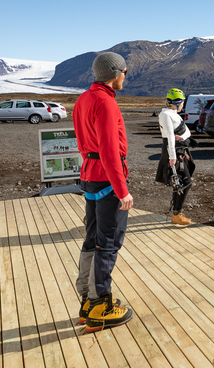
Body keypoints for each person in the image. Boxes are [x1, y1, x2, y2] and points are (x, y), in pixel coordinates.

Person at [73, 52, 133, 332]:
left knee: (93, 237)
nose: (125, 76)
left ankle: (87, 299)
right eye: (124, 72)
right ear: (115, 74)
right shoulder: (106, 103)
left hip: (90, 177)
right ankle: (100, 305)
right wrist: (122, 191)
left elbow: (84, 140)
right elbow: (110, 151)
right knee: (108, 242)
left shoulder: (83, 99)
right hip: (108, 180)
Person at [155, 88, 196, 226]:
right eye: (182, 102)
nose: (183, 105)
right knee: (186, 182)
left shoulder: (173, 114)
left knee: (179, 182)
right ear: (177, 102)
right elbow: (171, 137)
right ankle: (177, 213)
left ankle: (176, 212)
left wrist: (183, 137)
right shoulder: (166, 115)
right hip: (174, 153)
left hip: (180, 151)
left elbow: (187, 133)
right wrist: (172, 157)